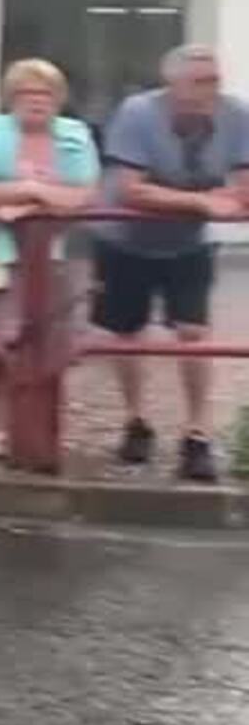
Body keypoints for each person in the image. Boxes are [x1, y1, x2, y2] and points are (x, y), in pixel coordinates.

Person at [94, 45, 249, 482]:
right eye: (200, 81)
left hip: (188, 241)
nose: (210, 90)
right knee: (126, 333)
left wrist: (227, 202)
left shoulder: (236, 115)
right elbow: (130, 190)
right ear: (174, 85)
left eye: (215, 80)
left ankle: (197, 433)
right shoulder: (138, 113)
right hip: (125, 239)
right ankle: (136, 421)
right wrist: (203, 201)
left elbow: (243, 187)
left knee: (194, 333)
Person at [0, 59, 100, 455]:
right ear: (11, 98)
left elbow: (84, 195)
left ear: (58, 100)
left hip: (59, 256)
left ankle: (44, 429)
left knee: (54, 346)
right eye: (26, 94)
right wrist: (35, 190)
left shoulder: (75, 135)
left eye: (45, 94)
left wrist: (24, 199)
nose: (36, 102)